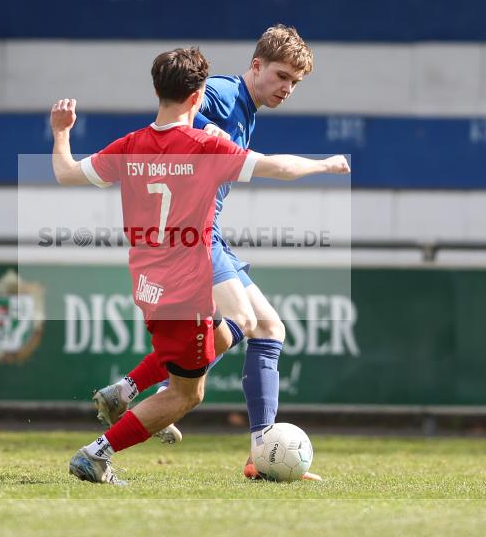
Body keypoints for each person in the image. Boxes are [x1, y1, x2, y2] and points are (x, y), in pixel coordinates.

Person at [52, 47, 349, 484]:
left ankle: (129, 392)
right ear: (198, 97)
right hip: (190, 269)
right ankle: (98, 452)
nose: (287, 87)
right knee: (187, 392)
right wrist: (324, 164)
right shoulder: (207, 146)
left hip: (149, 275)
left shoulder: (129, 145)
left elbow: (65, 173)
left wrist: (61, 132)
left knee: (247, 325)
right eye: (282, 76)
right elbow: (275, 167)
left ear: (158, 90)